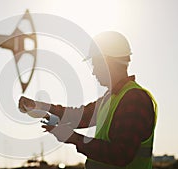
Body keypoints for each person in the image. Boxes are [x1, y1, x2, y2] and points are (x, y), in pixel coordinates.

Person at [18, 31, 157, 169]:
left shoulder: (135, 100)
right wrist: (40, 107)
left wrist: (72, 138)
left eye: (95, 64)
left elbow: (120, 155)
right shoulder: (110, 99)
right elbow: (79, 116)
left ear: (108, 62)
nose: (93, 71)